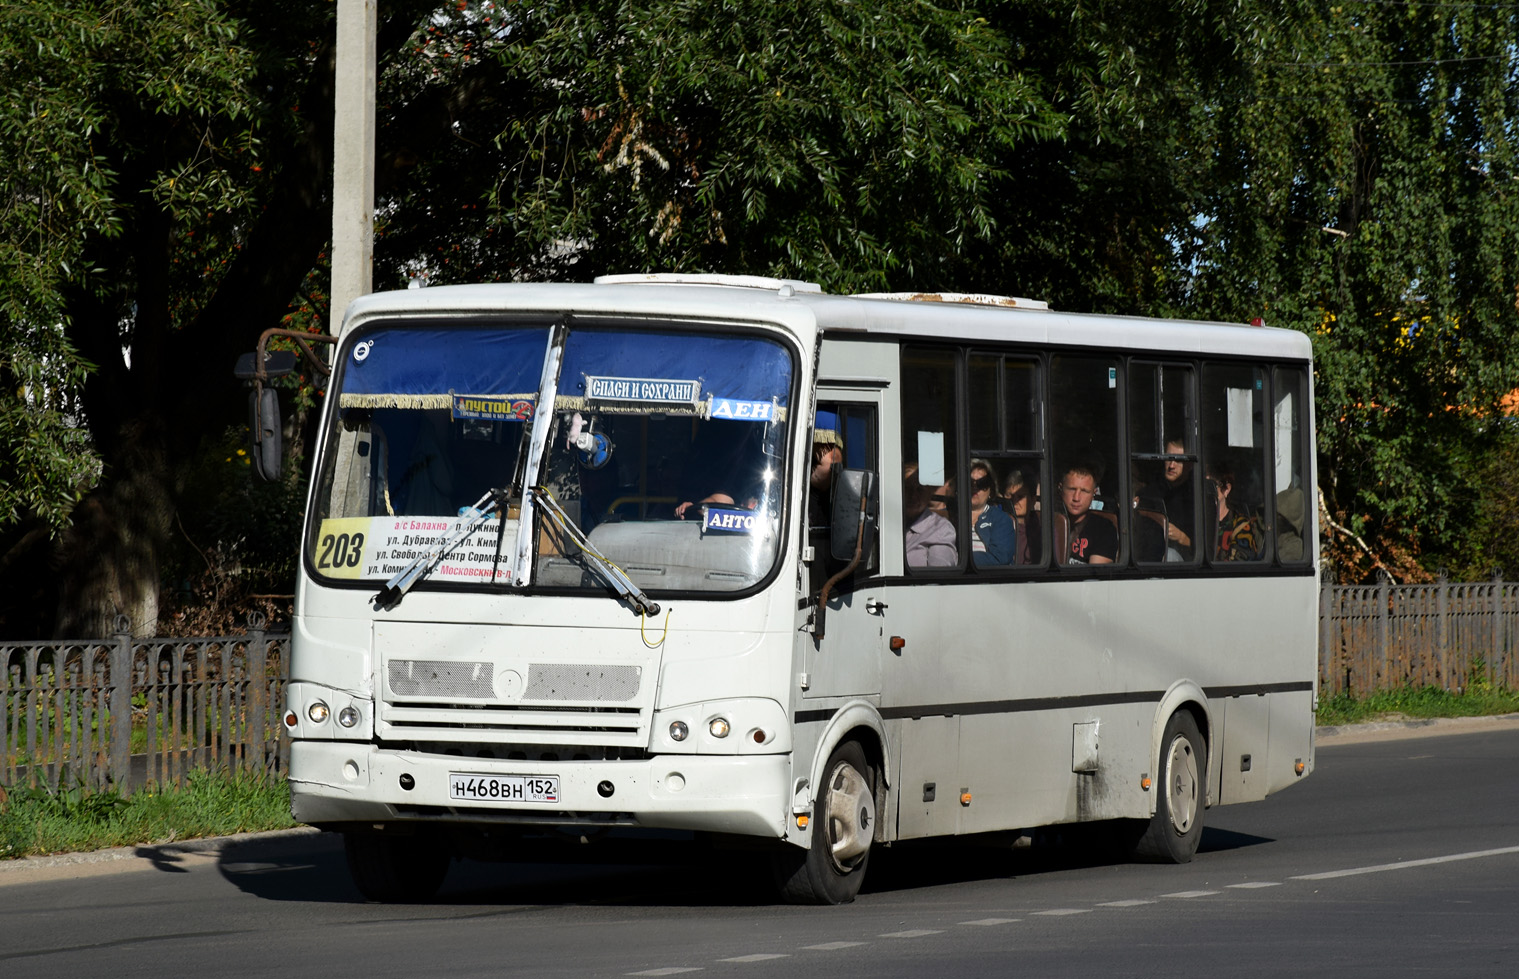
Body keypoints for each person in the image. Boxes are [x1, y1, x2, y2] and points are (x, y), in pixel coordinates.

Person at [904, 462, 957, 567]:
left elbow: (938, 578)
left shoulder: (940, 529)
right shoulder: (883, 522)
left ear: (929, 493)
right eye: (907, 488)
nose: (913, 496)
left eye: (920, 490)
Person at [1061, 465, 1116, 565]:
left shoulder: (1103, 529)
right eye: (1072, 489)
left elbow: (1096, 574)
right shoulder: (1047, 523)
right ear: (1060, 488)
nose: (1076, 498)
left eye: (1084, 491)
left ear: (1094, 494)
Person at [1207, 462, 1262, 561]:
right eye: (1204, 486)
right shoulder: (1197, 521)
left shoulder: (1240, 525)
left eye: (1211, 486)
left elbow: (1239, 564)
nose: (1207, 491)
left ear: (1227, 489)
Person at [968, 459, 1015, 566]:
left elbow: (1000, 557)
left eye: (982, 483)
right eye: (970, 482)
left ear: (991, 490)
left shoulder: (1001, 519)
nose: (975, 487)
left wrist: (961, 560)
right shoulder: (949, 517)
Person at [1003, 472, 1034, 566]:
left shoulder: (1041, 528)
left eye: (1020, 497)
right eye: (1010, 496)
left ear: (1033, 500)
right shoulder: (997, 525)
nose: (1014, 501)